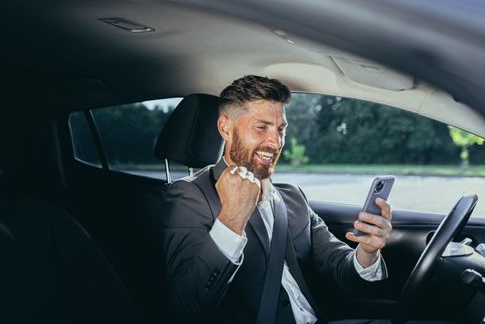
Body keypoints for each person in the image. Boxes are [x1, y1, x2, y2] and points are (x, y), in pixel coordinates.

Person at [163, 75, 393, 324]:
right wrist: (231, 220)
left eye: (281, 129)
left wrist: (367, 252)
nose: (275, 142)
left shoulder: (292, 196)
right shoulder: (190, 196)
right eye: (261, 127)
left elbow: (340, 267)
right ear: (225, 128)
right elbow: (186, 306)